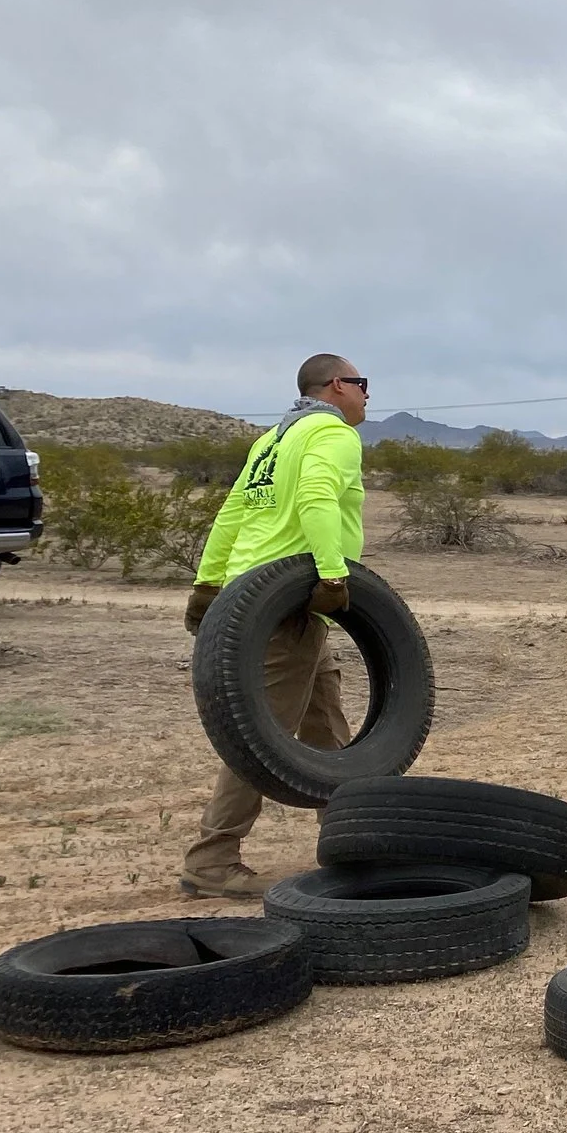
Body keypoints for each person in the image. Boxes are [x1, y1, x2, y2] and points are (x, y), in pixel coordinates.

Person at [177, 353, 369, 897]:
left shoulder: (273, 440)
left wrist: (208, 583)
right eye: (362, 383)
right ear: (337, 386)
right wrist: (333, 575)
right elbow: (316, 496)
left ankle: (349, 839)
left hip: (258, 593)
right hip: (289, 602)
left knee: (325, 722)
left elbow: (233, 512)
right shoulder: (332, 434)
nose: (366, 394)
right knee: (263, 735)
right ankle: (212, 859)